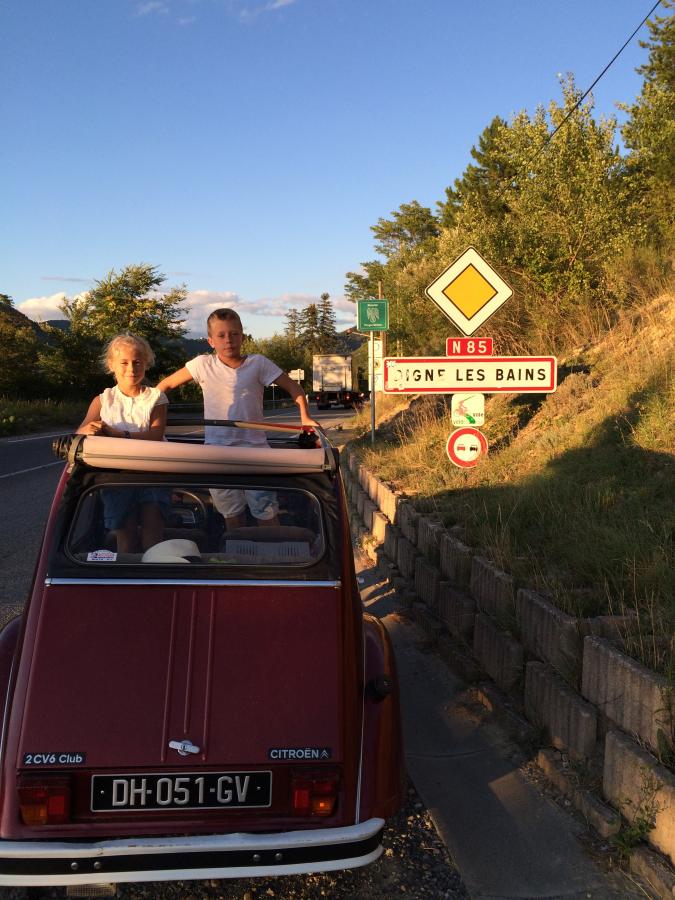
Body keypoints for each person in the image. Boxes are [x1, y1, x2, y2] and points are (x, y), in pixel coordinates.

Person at [156, 308, 318, 528]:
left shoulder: (258, 363)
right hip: (217, 453)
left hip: (256, 452)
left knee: (266, 514)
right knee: (232, 516)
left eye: (234, 334)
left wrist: (305, 418)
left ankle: (271, 550)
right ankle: (239, 549)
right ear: (211, 341)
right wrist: (150, 416)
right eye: (221, 335)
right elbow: (164, 386)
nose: (228, 340)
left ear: (243, 336)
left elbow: (293, 387)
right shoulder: (202, 364)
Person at [77, 333, 169, 553]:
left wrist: (115, 433)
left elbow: (155, 436)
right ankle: (127, 571)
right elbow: (79, 433)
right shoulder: (102, 400)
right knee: (125, 538)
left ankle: (153, 571)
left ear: (146, 363)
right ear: (111, 365)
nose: (131, 368)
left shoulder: (156, 398)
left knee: (153, 537)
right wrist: (87, 430)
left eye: (137, 362)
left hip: (153, 475)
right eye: (124, 362)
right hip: (116, 477)